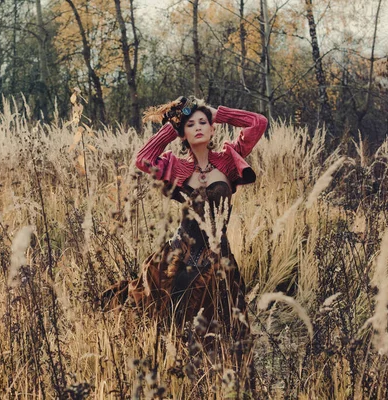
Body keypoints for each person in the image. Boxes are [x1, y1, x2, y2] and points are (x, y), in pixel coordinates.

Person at [103, 96, 267, 374]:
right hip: (181, 252)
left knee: (223, 324)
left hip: (218, 255)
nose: (199, 127)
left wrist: (218, 112)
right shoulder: (177, 167)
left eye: (204, 122)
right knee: (174, 316)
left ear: (213, 128)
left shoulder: (227, 161)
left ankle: (219, 372)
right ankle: (178, 365)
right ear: (184, 134)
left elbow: (258, 123)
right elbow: (143, 159)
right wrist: (171, 126)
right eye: (191, 124)